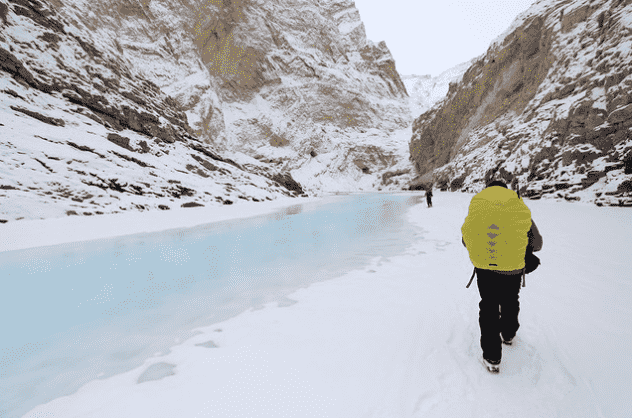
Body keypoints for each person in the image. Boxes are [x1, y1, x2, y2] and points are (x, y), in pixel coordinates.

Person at [461, 180, 543, 373]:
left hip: (485, 269)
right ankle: (508, 334)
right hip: (513, 268)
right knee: (510, 299)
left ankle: (492, 357)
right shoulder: (518, 206)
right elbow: (537, 244)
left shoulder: (477, 207)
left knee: (489, 305)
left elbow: (466, 239)